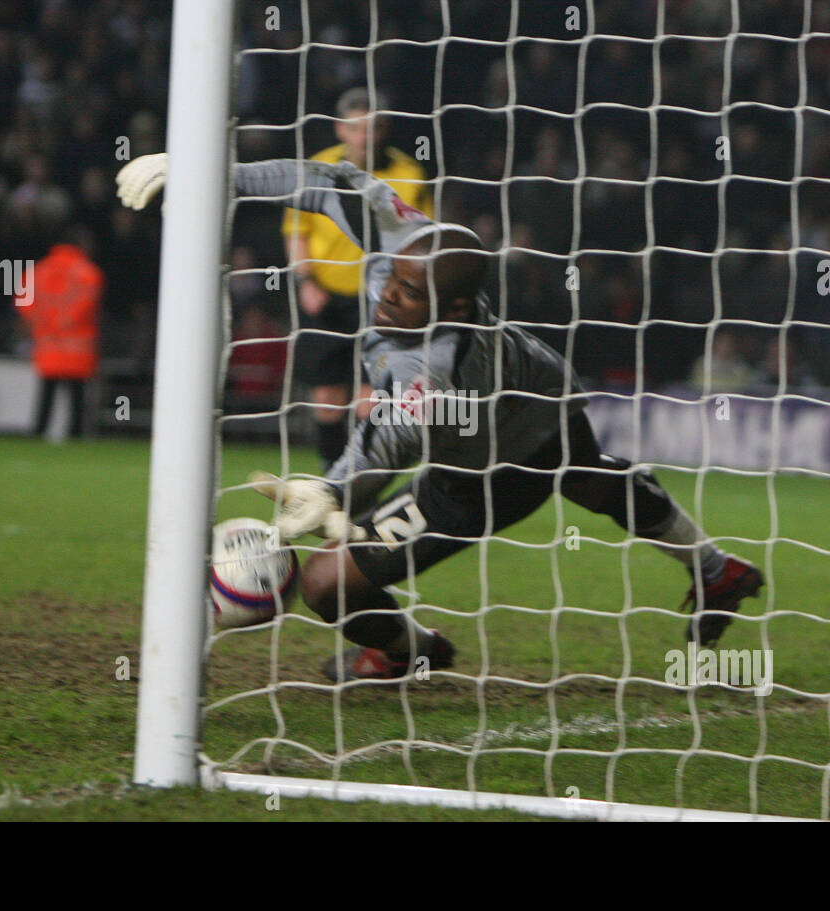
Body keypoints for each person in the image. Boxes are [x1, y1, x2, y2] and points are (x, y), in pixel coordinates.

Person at [116, 154, 763, 681]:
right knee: (590, 476)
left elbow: (393, 436)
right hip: (542, 389)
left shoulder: (435, 367)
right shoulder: (404, 236)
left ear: (453, 308)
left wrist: (334, 488)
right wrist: (210, 174)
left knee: (323, 580)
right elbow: (326, 180)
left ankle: (406, 651)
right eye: (392, 279)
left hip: (486, 471)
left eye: (409, 293)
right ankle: (715, 567)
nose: (388, 294)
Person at [282, 88, 434, 470]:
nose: (365, 136)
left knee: (373, 396)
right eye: (357, 128)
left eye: (373, 127)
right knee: (327, 394)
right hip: (328, 295)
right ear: (340, 130)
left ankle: (358, 477)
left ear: (384, 130)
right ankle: (330, 475)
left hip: (382, 299)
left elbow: (422, 239)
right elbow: (296, 230)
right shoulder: (319, 169)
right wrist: (306, 282)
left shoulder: (410, 174)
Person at [16, 227, 104, 439]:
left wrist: (41, 322)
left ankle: (39, 430)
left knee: (47, 393)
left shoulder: (37, 271)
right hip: (77, 347)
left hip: (47, 343)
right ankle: (74, 434)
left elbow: (23, 301)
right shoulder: (87, 272)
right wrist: (64, 321)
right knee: (77, 396)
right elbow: (87, 304)